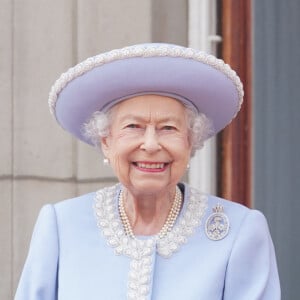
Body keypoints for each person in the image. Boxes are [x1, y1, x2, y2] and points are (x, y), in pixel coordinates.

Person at [15, 43, 280, 300]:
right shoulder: (62, 225)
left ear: (190, 142)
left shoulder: (239, 232)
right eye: (133, 126)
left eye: (168, 128)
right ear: (106, 141)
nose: (151, 144)